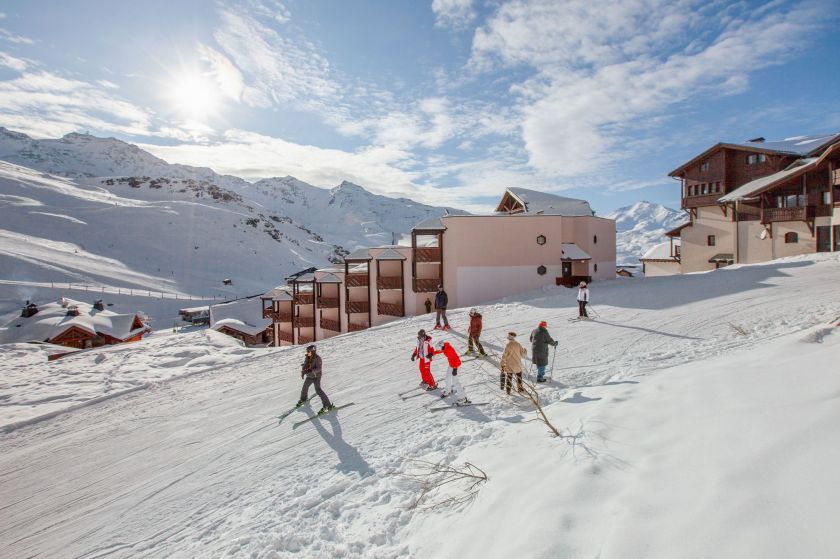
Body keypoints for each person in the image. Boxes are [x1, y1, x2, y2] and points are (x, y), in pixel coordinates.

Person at [296, 345, 335, 414]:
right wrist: (303, 371)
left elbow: (319, 368)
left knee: (318, 390)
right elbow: (305, 365)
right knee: (305, 387)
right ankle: (303, 399)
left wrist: (311, 370)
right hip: (310, 376)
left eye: (309, 351)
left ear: (313, 351)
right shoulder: (307, 357)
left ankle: (327, 405)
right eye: (307, 351)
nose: (308, 352)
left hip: (316, 377)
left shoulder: (318, 358)